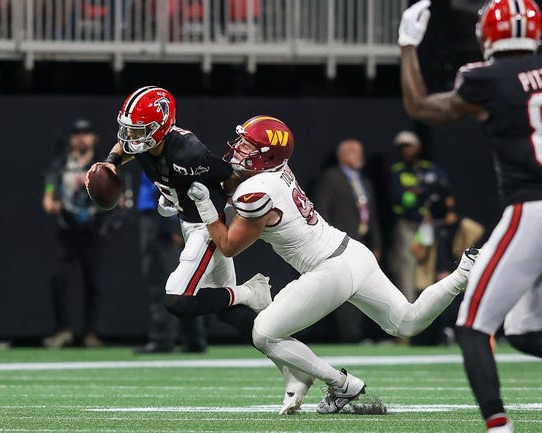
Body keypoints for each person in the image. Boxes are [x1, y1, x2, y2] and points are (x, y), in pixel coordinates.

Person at [186, 114, 479, 415]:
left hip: (329, 268)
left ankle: (340, 383)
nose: (237, 149)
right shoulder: (275, 172)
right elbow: (234, 183)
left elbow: (229, 245)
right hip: (352, 252)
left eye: (247, 146)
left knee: (264, 333)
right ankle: (463, 274)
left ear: (266, 155)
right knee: (407, 321)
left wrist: (203, 205)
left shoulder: (258, 190)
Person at [86, 86, 314, 410]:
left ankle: (251, 291)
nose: (131, 137)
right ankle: (297, 372)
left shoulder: (188, 152)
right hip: (188, 219)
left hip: (206, 226)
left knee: (179, 299)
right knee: (230, 313)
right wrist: (110, 163)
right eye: (130, 129)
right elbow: (124, 146)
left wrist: (221, 211)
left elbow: (229, 178)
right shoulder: (144, 140)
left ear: (160, 127)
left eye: (139, 131)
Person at [398, 1, 542, 431]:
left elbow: (421, 108)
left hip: (531, 210)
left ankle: (498, 427)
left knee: (473, 327)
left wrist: (407, 46)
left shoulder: (485, 79)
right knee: (523, 330)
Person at [42, 118, 115, 349]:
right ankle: (63, 330)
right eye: (77, 133)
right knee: (60, 280)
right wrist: (50, 200)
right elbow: (49, 190)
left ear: (94, 137)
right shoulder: (62, 164)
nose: (81, 137)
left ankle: (92, 332)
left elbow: (116, 193)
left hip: (94, 230)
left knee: (94, 282)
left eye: (86, 133)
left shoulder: (103, 164)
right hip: (68, 230)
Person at [312, 138, 382, 343]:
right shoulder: (331, 178)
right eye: (353, 151)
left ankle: (361, 332)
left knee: (363, 287)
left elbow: (372, 215)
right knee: (344, 288)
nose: (359, 155)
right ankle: (349, 335)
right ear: (341, 155)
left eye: (360, 151)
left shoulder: (365, 181)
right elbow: (321, 210)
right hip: (340, 242)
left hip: (363, 241)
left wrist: (376, 243)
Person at [134, 172, 207, 354]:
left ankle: (162, 339)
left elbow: (164, 184)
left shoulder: (160, 149)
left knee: (160, 280)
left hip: (159, 218)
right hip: (169, 215)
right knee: (185, 278)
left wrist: (170, 225)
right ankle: (194, 338)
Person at [409, 185, 485, 346]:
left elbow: (478, 256)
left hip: (462, 287)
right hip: (431, 285)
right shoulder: (429, 226)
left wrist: (453, 273)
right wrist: (427, 223)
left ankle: (450, 333)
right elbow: (419, 253)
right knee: (420, 338)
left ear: (450, 202)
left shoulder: (466, 227)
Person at [388, 130, 453, 303]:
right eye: (402, 148)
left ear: (418, 147)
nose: (406, 151)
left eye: (409, 147)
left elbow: (444, 194)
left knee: (431, 265)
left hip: (429, 225)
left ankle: (433, 312)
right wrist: (421, 193)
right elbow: (399, 198)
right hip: (408, 225)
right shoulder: (398, 172)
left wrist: (420, 192)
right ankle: (407, 308)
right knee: (407, 266)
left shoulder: (431, 169)